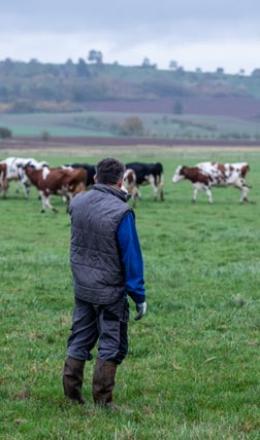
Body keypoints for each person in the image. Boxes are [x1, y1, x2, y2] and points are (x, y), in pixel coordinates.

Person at [63, 157, 146, 407]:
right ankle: (103, 401)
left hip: (83, 285)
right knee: (112, 343)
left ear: (96, 177)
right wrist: (139, 296)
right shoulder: (122, 212)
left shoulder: (77, 202)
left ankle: (72, 395)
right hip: (109, 290)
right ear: (121, 180)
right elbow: (131, 257)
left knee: (79, 337)